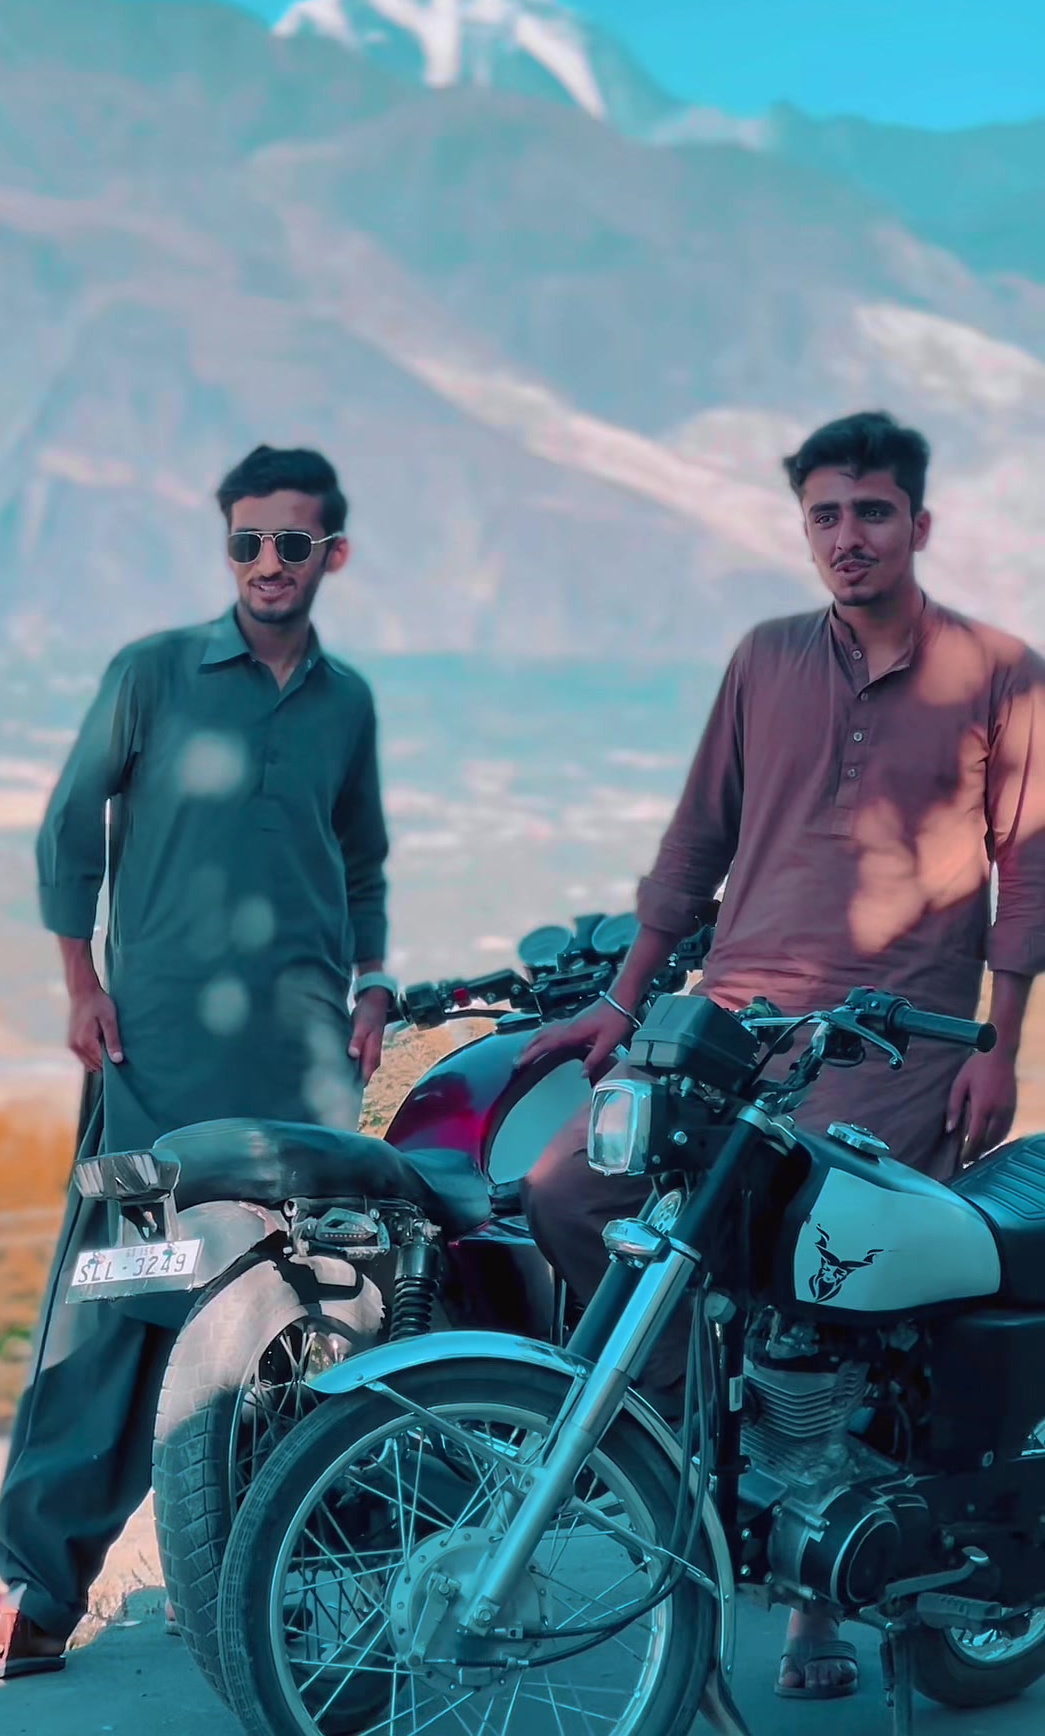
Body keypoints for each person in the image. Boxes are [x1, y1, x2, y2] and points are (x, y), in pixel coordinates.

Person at [519, 411, 1045, 1704]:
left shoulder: (1001, 674)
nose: (847, 536)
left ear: (919, 523)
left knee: (820, 1298)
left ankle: (817, 1604)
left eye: (872, 511)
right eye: (825, 515)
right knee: (564, 1192)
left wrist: (1000, 1045)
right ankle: (687, 1456)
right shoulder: (763, 659)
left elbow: (1029, 868)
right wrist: (628, 1001)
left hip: (896, 1036)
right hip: (732, 1020)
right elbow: (695, 843)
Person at [0, 445, 394, 1684]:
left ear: (331, 555)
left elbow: (360, 860)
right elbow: (67, 836)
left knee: (308, 1321)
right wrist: (81, 989)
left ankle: (287, 1584)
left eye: (291, 543)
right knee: (113, 1311)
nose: (266, 563)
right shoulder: (151, 674)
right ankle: (38, 1596)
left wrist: (373, 984)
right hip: (154, 1054)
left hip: (301, 1068)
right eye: (246, 541)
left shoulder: (347, 703)